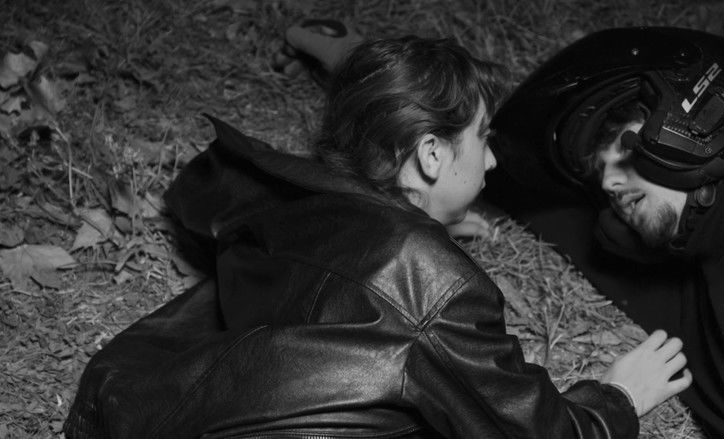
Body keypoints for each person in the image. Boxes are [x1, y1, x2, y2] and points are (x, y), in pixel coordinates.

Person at [64, 36, 691, 438]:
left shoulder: (285, 196)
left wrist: (428, 224)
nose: (493, 160)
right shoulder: (433, 285)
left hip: (124, 401)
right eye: (483, 137)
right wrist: (617, 398)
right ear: (431, 154)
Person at [484, 27, 724, 439]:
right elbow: (551, 208)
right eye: (600, 176)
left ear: (702, 121)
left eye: (626, 147)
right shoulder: (690, 277)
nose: (609, 184)